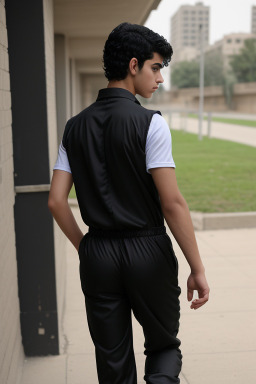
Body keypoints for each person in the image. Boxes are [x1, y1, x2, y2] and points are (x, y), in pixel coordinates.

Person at [48, 22, 210, 384]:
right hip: (148, 251)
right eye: (156, 68)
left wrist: (87, 247)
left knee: (112, 361)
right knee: (163, 347)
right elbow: (172, 204)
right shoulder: (151, 124)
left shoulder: (73, 127)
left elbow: (57, 202)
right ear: (133, 65)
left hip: (98, 256)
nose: (160, 79)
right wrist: (196, 267)